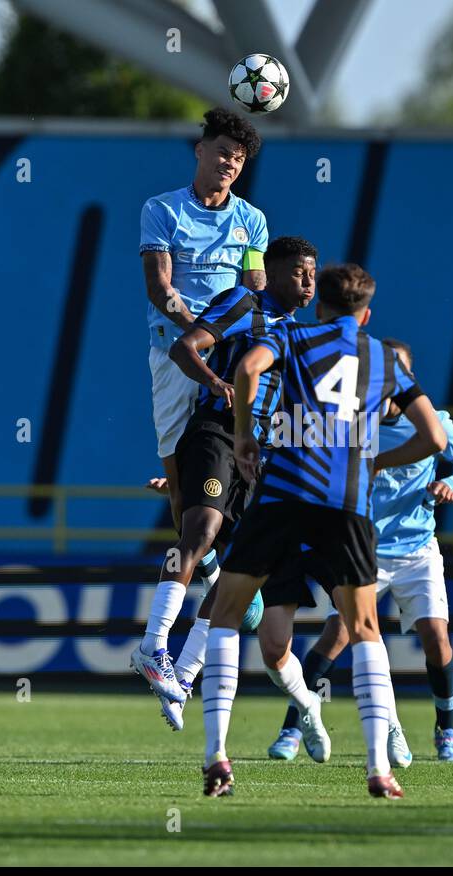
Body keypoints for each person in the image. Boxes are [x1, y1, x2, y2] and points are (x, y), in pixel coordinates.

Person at [200, 263, 447, 799]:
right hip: (346, 503)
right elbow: (434, 438)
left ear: (321, 305)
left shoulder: (291, 332)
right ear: (366, 313)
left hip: (283, 494)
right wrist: (377, 462)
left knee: (224, 615)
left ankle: (216, 756)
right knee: (365, 630)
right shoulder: (382, 356)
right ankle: (379, 769)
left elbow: (246, 371)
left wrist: (244, 437)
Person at [267, 339, 453, 765]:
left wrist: (449, 484)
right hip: (363, 550)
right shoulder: (351, 421)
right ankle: (294, 727)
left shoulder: (434, 422)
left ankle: (446, 732)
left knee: (436, 639)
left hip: (418, 550)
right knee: (337, 636)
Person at [130, 237, 317, 731]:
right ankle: (154, 644)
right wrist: (217, 384)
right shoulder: (244, 303)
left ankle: (184, 676)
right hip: (216, 433)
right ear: (272, 274)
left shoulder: (298, 334)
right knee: (201, 532)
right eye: (299, 272)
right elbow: (183, 346)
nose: (308, 282)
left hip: (256, 455)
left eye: (313, 273)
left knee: (238, 570)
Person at [139, 106, 266, 546]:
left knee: (236, 469)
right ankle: (208, 573)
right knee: (178, 482)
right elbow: (160, 287)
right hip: (175, 354)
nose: (230, 162)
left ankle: (233, 575)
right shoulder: (162, 210)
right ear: (200, 151)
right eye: (223, 152)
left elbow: (255, 288)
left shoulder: (252, 221)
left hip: (228, 360)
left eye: (239, 158)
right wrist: (199, 333)